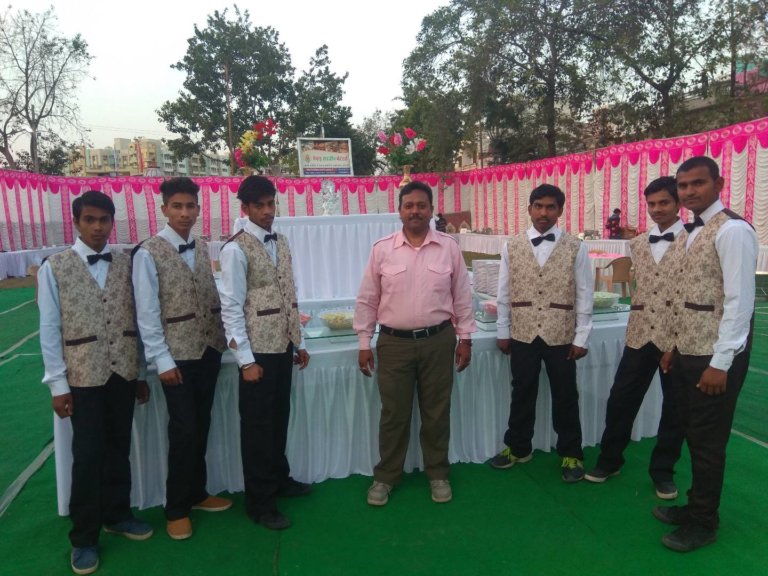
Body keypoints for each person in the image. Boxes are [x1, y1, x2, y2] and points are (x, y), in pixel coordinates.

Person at [38, 191, 152, 575]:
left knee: (119, 447)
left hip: (123, 371)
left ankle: (117, 515)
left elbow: (139, 320)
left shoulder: (127, 262)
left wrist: (140, 373)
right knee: (87, 456)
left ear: (112, 221)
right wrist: (58, 385)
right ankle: (84, 537)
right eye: (90, 219)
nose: (98, 227)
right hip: (83, 376)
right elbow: (49, 330)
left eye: (104, 220)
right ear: (76, 222)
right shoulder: (54, 268)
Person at [653, 156, 757, 552]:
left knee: (709, 442)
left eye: (697, 183)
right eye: (683, 185)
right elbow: (688, 296)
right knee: (693, 435)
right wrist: (673, 347)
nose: (689, 191)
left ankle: (704, 522)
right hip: (688, 350)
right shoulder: (689, 231)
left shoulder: (732, 231)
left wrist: (720, 363)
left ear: (719, 183)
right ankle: (696, 506)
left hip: (715, 358)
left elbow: (739, 303)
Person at [354, 180, 475, 506]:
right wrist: (364, 341)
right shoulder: (382, 249)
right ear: (399, 211)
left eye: (422, 205)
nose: (415, 211)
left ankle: (438, 473)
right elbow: (367, 299)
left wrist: (465, 339)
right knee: (394, 414)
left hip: (439, 341)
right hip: (394, 345)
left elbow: (462, 296)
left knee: (436, 412)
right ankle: (385, 476)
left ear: (431, 210)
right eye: (409, 206)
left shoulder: (449, 247)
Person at [132, 177, 231, 541]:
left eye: (190, 206)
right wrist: (161, 360)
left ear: (198, 209)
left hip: (208, 349)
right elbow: (146, 313)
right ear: (164, 209)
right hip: (176, 357)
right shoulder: (148, 253)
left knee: (202, 424)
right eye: (177, 206)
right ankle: (175, 508)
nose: (185, 213)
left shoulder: (202, 245)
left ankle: (197, 492)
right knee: (184, 430)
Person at [219, 175, 311, 531]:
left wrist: (299, 342)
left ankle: (279, 479)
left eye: (271, 204)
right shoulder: (235, 249)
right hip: (257, 352)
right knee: (257, 428)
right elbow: (231, 308)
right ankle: (259, 503)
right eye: (259, 206)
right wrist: (246, 361)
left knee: (278, 419)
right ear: (245, 208)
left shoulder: (281, 241)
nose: (268, 211)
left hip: (283, 344)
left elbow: (289, 291)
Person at [585, 177, 685, 498]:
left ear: (678, 203)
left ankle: (663, 472)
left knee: (675, 407)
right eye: (651, 204)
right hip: (640, 333)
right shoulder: (638, 244)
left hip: (677, 337)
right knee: (621, 399)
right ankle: (610, 460)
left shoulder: (694, 240)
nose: (657, 209)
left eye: (664, 202)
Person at [490, 184, 593, 482]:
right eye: (538, 206)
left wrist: (581, 337)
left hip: (561, 333)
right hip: (523, 332)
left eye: (550, 207)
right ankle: (518, 447)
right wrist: (503, 330)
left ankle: (571, 453)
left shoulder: (576, 247)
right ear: (529, 209)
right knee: (522, 390)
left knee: (565, 394)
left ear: (560, 210)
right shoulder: (512, 246)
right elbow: (503, 292)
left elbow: (584, 294)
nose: (544, 212)